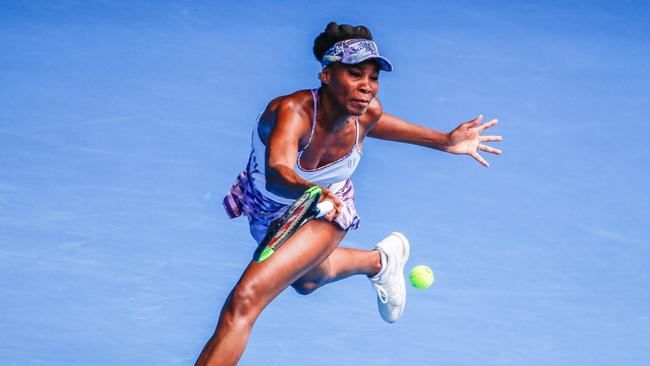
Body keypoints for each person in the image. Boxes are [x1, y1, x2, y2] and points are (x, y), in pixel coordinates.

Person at [196, 21, 502, 366]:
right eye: (356, 74)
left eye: (373, 78)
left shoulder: (366, 114)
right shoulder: (292, 112)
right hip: (272, 206)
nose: (367, 87)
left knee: (243, 302)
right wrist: (313, 190)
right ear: (326, 75)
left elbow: (379, 125)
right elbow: (278, 172)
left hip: (327, 210)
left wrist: (445, 141)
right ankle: (380, 261)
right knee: (307, 281)